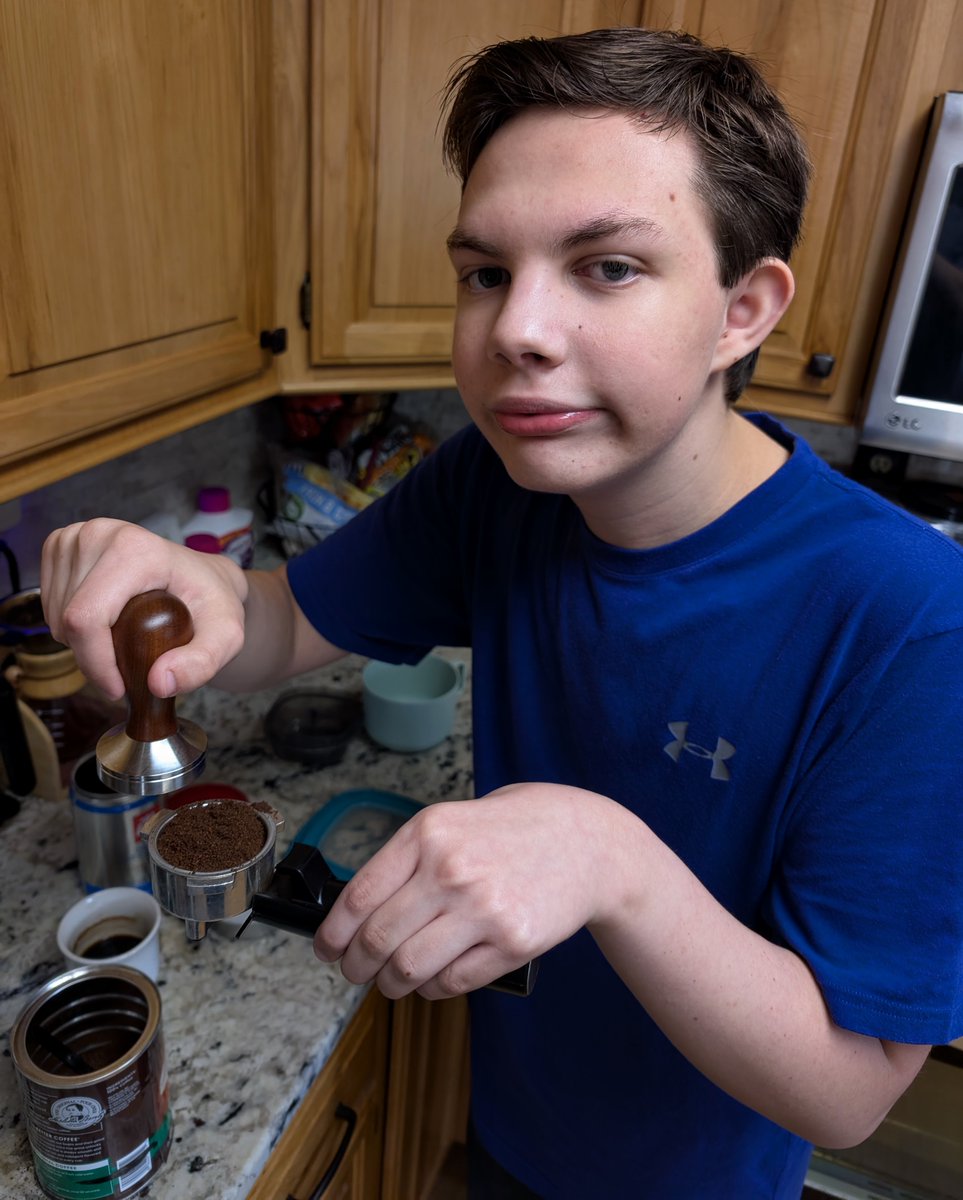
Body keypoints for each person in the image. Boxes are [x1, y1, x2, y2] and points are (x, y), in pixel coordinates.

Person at [40, 27, 963, 1200]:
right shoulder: (501, 483)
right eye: (485, 271)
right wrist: (190, 585)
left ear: (745, 308)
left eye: (608, 267)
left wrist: (608, 858)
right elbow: (280, 623)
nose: (515, 330)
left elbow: (848, 1085)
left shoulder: (910, 622)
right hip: (509, 1129)